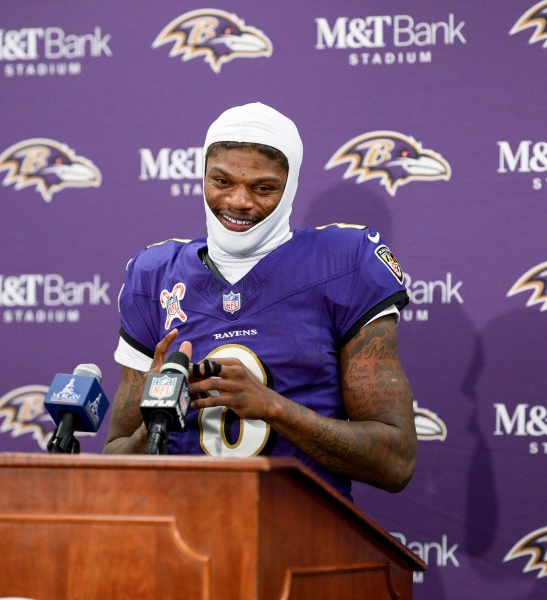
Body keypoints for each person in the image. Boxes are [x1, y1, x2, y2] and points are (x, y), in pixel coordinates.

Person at [103, 102, 417, 500]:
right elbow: (115, 459)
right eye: (221, 181)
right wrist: (159, 416)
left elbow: (396, 461)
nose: (238, 202)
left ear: (292, 186)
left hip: (300, 536)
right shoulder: (155, 273)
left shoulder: (344, 261)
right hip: (184, 535)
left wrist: (273, 408)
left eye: (263, 187)